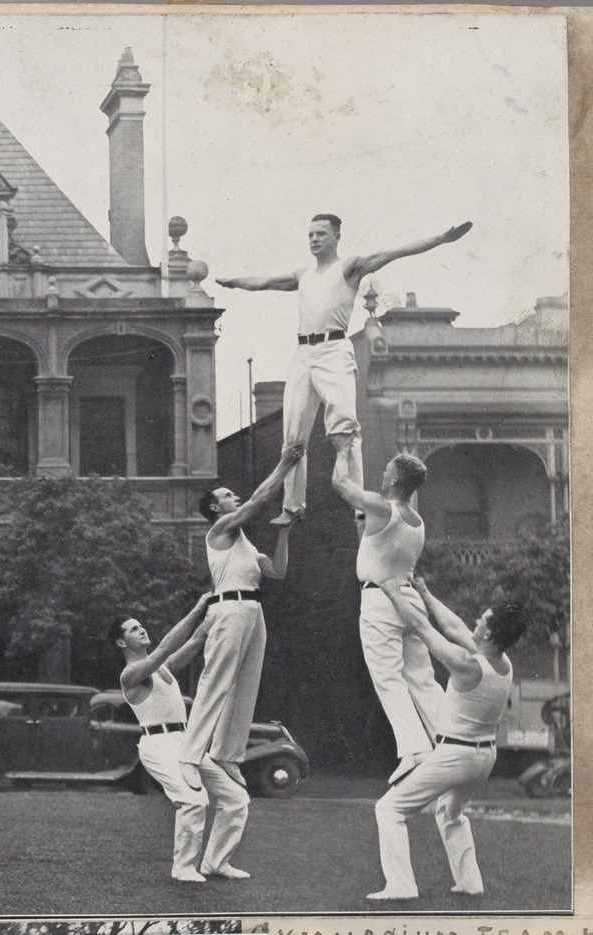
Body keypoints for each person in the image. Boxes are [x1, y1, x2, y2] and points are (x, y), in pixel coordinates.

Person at [216, 216, 471, 525]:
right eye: (310, 234)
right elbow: (264, 282)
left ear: (336, 236)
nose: (313, 239)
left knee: (344, 429)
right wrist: (233, 282)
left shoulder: (348, 268)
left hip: (333, 350)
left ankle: (358, 505)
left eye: (320, 234)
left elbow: (394, 253)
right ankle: (293, 506)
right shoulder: (304, 275)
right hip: (302, 353)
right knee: (293, 435)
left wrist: (440, 238)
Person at [367, 579, 526, 900]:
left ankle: (401, 886)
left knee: (389, 809)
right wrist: (425, 592)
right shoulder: (503, 663)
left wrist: (393, 592)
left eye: (482, 620)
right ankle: (470, 883)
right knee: (450, 813)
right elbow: (454, 626)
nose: (476, 622)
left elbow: (423, 628)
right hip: (484, 758)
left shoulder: (467, 665)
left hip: (456, 756)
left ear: (489, 634)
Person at [184, 444, 305, 804]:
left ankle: (226, 754)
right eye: (226, 495)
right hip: (229, 609)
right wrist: (284, 464)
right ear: (215, 509)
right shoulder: (219, 530)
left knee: (246, 686)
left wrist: (284, 531)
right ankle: (190, 756)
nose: (233, 497)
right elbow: (257, 501)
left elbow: (277, 572)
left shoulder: (246, 544)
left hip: (253, 611)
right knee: (216, 683)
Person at [115, 593, 253, 883]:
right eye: (133, 629)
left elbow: (193, 644)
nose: (141, 629)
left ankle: (216, 862)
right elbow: (165, 647)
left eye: (141, 626)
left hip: (185, 742)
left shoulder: (162, 668)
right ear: (121, 643)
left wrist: (220, 610)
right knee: (194, 800)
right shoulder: (131, 674)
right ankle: (183, 868)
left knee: (236, 798)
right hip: (157, 745)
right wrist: (199, 607)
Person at [333, 442, 445, 785]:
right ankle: (450, 737)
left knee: (387, 675)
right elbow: (375, 545)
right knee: (421, 677)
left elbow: (341, 485)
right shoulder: (416, 520)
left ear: (396, 478)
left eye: (387, 471)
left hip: (381, 599)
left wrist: (341, 451)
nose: (382, 474)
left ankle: (414, 750)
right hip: (408, 600)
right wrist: (361, 524)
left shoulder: (383, 508)